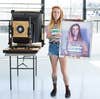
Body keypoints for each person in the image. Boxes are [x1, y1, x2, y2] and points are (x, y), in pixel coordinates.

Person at [45, 6, 71, 98]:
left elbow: (68, 36)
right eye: (54, 12)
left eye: (58, 12)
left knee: (64, 71)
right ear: (52, 14)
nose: (56, 14)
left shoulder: (64, 25)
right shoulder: (48, 25)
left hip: (62, 48)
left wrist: (57, 35)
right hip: (53, 47)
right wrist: (57, 35)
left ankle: (67, 89)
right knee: (54, 71)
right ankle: (54, 88)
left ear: (60, 14)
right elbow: (47, 36)